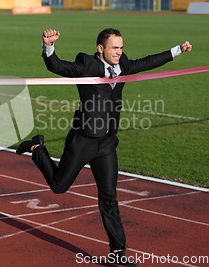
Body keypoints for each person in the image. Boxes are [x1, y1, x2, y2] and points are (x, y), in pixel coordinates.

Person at [16, 28, 192, 266]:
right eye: (114, 48)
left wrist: (177, 50)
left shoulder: (123, 65)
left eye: (121, 47)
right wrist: (49, 47)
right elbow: (58, 67)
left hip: (107, 142)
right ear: (101, 49)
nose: (119, 52)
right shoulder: (86, 64)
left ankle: (118, 252)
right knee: (59, 187)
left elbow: (148, 62)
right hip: (83, 140)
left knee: (109, 197)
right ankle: (38, 148)